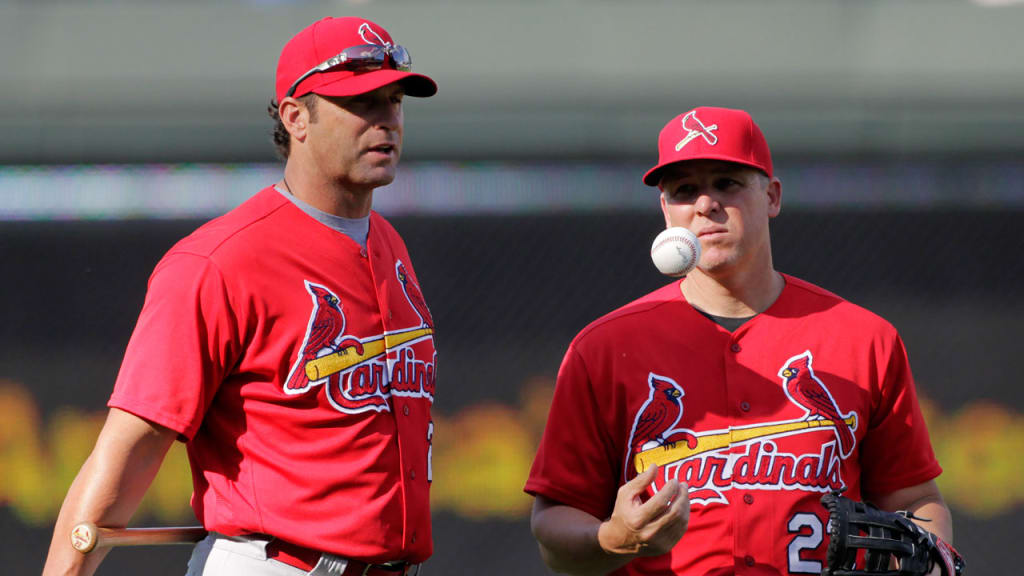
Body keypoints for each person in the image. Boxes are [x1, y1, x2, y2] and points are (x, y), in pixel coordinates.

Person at [43, 16, 438, 576]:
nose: (387, 121)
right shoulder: (219, 261)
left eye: (394, 100)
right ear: (296, 117)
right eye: (362, 103)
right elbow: (130, 446)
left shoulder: (390, 245)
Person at [524, 107, 954, 576]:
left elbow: (915, 499)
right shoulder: (604, 348)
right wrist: (611, 539)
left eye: (726, 183)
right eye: (684, 190)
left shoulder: (865, 338)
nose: (705, 204)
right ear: (666, 211)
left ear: (771, 196)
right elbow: (554, 528)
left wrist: (933, 564)